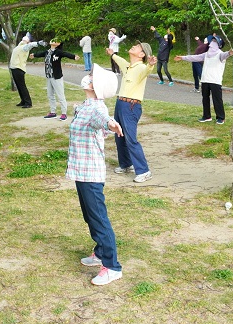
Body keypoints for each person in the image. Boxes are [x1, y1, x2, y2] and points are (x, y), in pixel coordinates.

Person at [67, 63, 124, 286]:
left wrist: (111, 124)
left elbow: (103, 120)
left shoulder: (96, 108)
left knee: (99, 219)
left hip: (90, 173)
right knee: (90, 216)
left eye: (90, 76)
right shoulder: (87, 105)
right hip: (82, 170)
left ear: (95, 85)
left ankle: (112, 266)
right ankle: (100, 252)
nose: (86, 77)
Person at [107, 41, 157, 183]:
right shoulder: (129, 66)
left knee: (130, 139)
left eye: (137, 47)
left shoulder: (141, 67)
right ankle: (126, 164)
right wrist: (113, 54)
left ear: (142, 54)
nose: (133, 46)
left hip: (131, 106)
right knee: (119, 135)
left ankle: (144, 170)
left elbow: (147, 70)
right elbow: (121, 61)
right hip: (121, 104)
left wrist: (151, 64)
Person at [174, 34, 233, 125]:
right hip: (205, 80)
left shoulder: (220, 54)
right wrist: (182, 57)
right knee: (205, 99)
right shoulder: (206, 54)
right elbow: (194, 57)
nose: (211, 43)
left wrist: (230, 53)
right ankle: (207, 116)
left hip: (215, 81)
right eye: (212, 41)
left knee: (217, 99)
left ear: (218, 45)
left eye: (214, 41)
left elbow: (226, 54)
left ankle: (221, 117)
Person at [30, 38, 80, 121]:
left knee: (60, 95)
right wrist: (34, 55)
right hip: (49, 76)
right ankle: (53, 112)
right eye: (52, 39)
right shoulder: (47, 52)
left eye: (55, 40)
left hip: (56, 77)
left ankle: (64, 113)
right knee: (50, 95)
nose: (52, 41)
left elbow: (66, 54)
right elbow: (40, 54)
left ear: (58, 44)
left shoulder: (58, 52)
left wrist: (74, 56)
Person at [9, 34, 46, 108]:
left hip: (19, 68)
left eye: (26, 39)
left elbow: (30, 45)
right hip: (14, 68)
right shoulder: (19, 46)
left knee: (22, 86)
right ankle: (23, 101)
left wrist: (38, 43)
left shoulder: (24, 47)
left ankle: (28, 102)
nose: (24, 39)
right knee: (19, 86)